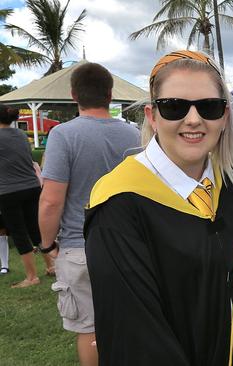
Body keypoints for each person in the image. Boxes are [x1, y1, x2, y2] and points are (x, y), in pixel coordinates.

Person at [84, 50, 233, 366]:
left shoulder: (229, 189)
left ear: (224, 116)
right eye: (173, 106)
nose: (193, 119)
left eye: (209, 107)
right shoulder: (119, 204)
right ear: (152, 116)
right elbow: (135, 339)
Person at [38, 62, 141, 366]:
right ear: (110, 95)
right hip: (131, 244)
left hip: (80, 245)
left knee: (89, 328)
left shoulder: (63, 135)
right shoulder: (134, 136)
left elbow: (51, 201)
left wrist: (47, 245)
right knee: (130, 322)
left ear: (73, 95)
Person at [0, 103, 53, 288]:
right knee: (36, 229)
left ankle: (31, 277)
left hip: (9, 191)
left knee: (20, 233)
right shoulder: (21, 135)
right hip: (32, 188)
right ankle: (51, 266)